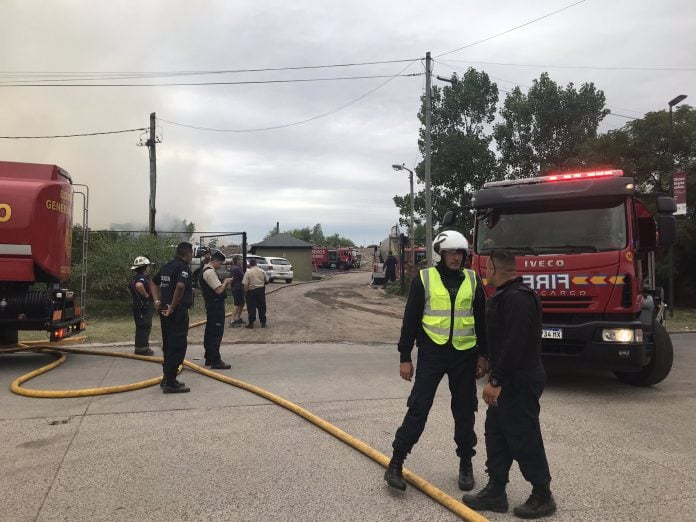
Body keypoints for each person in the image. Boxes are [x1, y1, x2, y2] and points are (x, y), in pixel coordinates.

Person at [384, 230, 488, 493]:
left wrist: (484, 355)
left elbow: (482, 321)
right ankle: (396, 463)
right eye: (452, 253)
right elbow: (410, 320)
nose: (457, 258)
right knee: (419, 407)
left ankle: (466, 463)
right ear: (441, 254)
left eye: (461, 253)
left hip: (464, 355)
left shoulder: (473, 280)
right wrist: (405, 357)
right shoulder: (425, 279)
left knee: (465, 411)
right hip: (432, 353)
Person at [462, 250, 556, 519]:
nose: (484, 273)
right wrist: (485, 359)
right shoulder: (504, 296)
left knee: (524, 436)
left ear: (492, 266)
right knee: (497, 434)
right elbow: (500, 341)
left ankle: (543, 495)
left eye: (486, 267)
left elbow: (515, 345)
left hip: (520, 380)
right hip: (508, 379)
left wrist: (496, 380)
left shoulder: (518, 299)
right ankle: (496, 491)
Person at [151, 242, 194, 394]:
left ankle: (167, 378)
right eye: (191, 253)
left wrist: (157, 301)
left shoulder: (167, 266)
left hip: (164, 311)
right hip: (176, 312)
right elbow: (180, 287)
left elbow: (153, 283)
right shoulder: (183, 268)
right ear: (188, 253)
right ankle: (170, 382)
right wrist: (173, 307)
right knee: (178, 346)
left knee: (168, 344)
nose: (192, 256)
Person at [200, 251, 233, 369]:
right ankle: (215, 360)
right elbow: (218, 290)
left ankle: (209, 357)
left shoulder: (206, 270)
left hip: (212, 305)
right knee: (216, 332)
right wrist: (226, 282)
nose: (220, 265)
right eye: (220, 263)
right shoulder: (209, 272)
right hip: (215, 306)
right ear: (215, 260)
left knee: (210, 331)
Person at [128, 256, 156, 356]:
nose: (149, 268)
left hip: (138, 306)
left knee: (141, 327)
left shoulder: (134, 278)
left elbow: (131, 290)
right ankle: (142, 350)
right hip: (143, 307)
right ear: (144, 267)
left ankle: (140, 348)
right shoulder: (141, 278)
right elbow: (139, 286)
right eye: (148, 266)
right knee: (144, 326)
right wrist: (146, 296)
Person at [243, 258, 268, 329]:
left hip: (251, 291)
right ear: (256, 264)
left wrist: (245, 292)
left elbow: (245, 284)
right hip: (261, 291)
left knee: (251, 308)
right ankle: (263, 323)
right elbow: (267, 280)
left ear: (250, 264)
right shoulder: (262, 271)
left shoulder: (248, 272)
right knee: (262, 307)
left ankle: (251, 324)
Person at [228, 256, 246, 327]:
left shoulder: (235, 267)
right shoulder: (237, 268)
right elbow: (244, 276)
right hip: (237, 288)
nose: (241, 260)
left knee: (242, 303)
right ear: (236, 261)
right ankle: (232, 320)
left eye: (241, 259)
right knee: (237, 304)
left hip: (238, 288)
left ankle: (238, 318)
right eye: (239, 259)